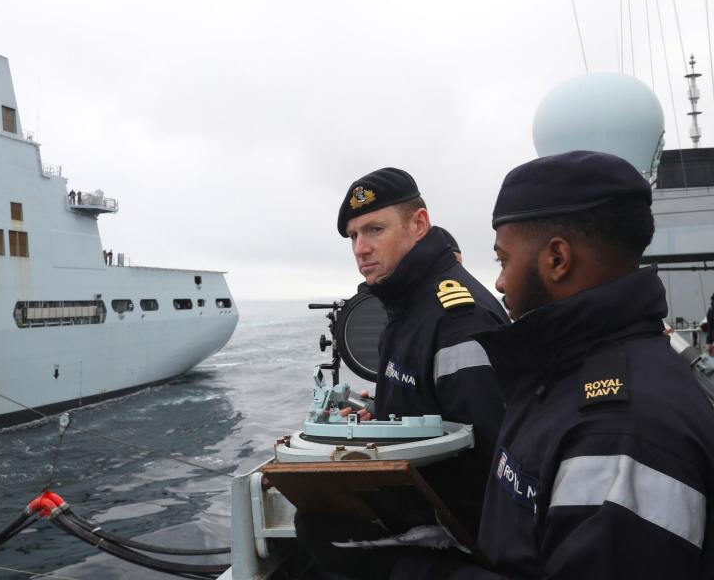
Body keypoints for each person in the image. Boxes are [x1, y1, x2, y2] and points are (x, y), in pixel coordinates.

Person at [389, 151, 714, 578]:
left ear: (557, 259)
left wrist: (402, 571)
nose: (500, 282)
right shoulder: (561, 377)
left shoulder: (620, 433)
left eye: (504, 261)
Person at [294, 167, 509, 578]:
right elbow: (428, 403)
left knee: (320, 533)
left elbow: (491, 456)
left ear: (419, 224)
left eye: (374, 229)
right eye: (354, 236)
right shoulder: (406, 306)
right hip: (427, 499)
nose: (361, 248)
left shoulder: (456, 318)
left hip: (462, 525)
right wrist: (379, 418)